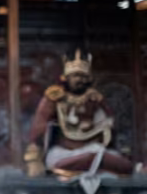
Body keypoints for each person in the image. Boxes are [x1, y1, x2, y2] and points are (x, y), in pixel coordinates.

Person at [25, 50, 140, 179]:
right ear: (66, 77)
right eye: (75, 76)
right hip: (65, 152)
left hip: (95, 148)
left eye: (82, 76)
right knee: (87, 159)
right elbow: (38, 129)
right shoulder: (55, 97)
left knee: (115, 162)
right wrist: (34, 160)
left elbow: (111, 125)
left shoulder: (95, 98)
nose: (79, 79)